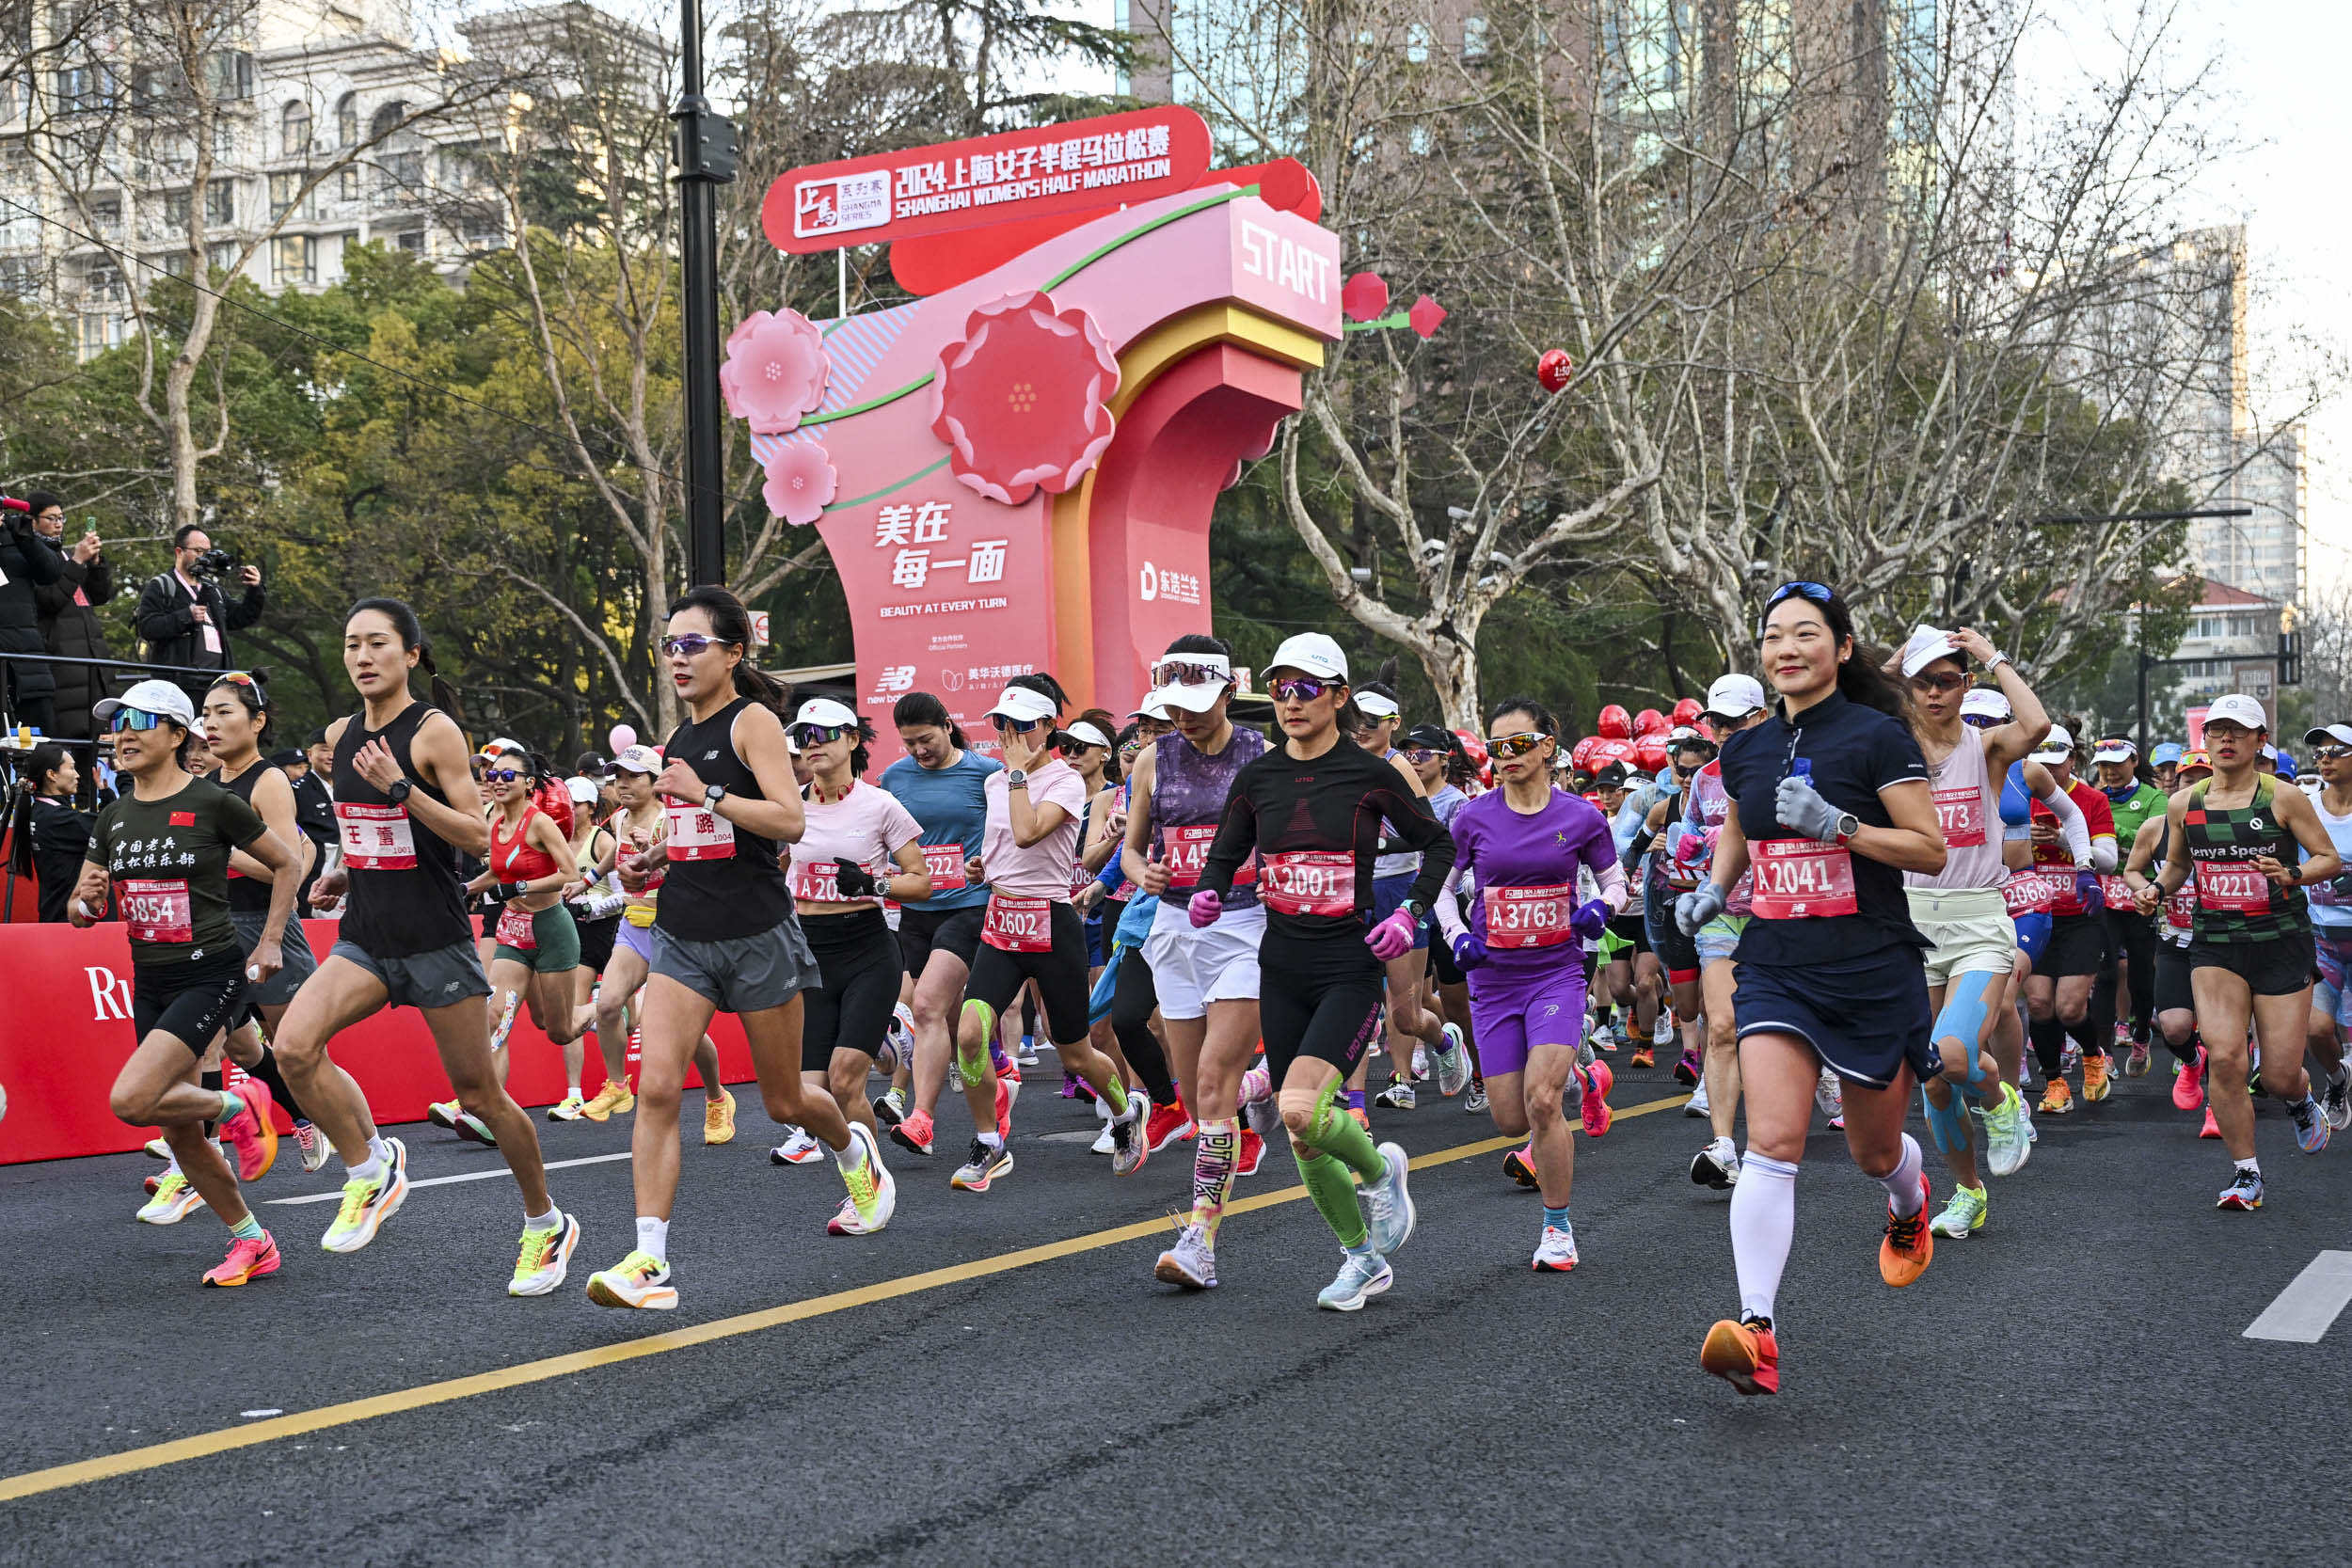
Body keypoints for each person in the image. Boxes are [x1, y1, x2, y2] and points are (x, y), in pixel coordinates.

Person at [587, 587, 892, 1310]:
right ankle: (649, 1258)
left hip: (758, 937)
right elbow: (701, 830)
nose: (678, 658)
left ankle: (854, 1154)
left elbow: (787, 821)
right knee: (658, 1089)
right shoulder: (679, 739)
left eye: (694, 644)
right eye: (670, 645)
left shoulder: (753, 721)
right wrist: (652, 861)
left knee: (786, 1101)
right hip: (684, 935)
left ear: (733, 652)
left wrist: (708, 791)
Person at [1678, 582, 1947, 1397]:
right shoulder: (1746, 750)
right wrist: (1715, 888)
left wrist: (1840, 825)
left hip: (1869, 968)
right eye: (1772, 636)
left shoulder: (1876, 737)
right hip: (1777, 963)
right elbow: (1739, 828)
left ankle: (1909, 1193)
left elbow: (1931, 850)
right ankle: (1757, 1329)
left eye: (1805, 634)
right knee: (1775, 1142)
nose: (1786, 648)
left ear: (1841, 647)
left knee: (1871, 1151)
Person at [271, 598, 579, 1296]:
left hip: (436, 939)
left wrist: (402, 786)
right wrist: (346, 866)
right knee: (292, 1047)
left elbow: (480, 838)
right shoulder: (341, 732)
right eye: (352, 644)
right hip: (367, 935)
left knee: (480, 1096)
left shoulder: (434, 731)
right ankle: (369, 1166)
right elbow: (367, 825)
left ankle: (545, 1220)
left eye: (377, 643)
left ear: (410, 654)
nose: (362, 656)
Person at [1191, 633, 1451, 1311]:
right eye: (1279, 688)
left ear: (1339, 697)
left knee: (1300, 1108)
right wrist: (1208, 890)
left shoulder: (1372, 775)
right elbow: (1226, 851)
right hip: (1280, 965)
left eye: (1305, 688)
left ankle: (1378, 1169)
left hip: (1348, 964)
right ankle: (1361, 1258)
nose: (1289, 701)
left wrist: (1412, 912)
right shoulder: (1259, 778)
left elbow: (1438, 842)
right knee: (1303, 1135)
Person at [75, 678, 304, 1286]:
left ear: (179, 735)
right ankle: (254, 1242)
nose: (123, 731)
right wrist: (84, 902)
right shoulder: (112, 815)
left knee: (130, 1099)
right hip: (149, 980)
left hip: (210, 974)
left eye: (139, 720)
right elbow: (84, 896)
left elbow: (288, 861)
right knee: (179, 1132)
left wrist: (273, 938)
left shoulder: (212, 802)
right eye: (117, 720)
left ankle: (240, 1102)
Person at [1433, 696, 1619, 1271]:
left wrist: (1599, 910)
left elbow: (1617, 884)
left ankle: (1558, 1227)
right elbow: (1441, 892)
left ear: (1546, 746)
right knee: (1512, 1119)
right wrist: (1458, 936)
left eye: (1518, 744)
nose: (1506, 756)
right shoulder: (1473, 818)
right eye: (1496, 747)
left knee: (1542, 1102)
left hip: (1555, 976)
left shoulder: (1582, 818)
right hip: (1493, 982)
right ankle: (1585, 1075)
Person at [2137, 693, 2341, 1209]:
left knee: (2276, 1074)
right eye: (2217, 731)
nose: (2226, 740)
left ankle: (2298, 1099)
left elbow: (2328, 859)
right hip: (2216, 944)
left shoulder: (2283, 797)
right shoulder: (2186, 803)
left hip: (2280, 944)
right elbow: (2179, 866)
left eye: (2238, 731)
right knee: (2225, 1057)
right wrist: (2156, 891)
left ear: (2259, 740)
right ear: (2205, 741)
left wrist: (2292, 874)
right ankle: (2245, 1174)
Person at [949, 676, 1148, 1191]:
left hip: (1052, 923)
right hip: (1001, 920)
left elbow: (1028, 831)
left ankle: (1126, 1115)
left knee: (1075, 1050)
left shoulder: (1061, 780)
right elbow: (1004, 846)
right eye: (1000, 724)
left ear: (1045, 729)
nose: (1007, 734)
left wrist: (1017, 774)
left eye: (1019, 725)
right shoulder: (996, 782)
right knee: (970, 1034)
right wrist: (982, 870)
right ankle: (989, 1143)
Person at [1121, 636, 1269, 1288]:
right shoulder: (1153, 759)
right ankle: (1258, 1088)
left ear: (1229, 692)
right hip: (1174, 928)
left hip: (1243, 925)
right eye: (1174, 705)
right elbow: (1128, 851)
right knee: (1197, 1092)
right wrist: (1143, 871)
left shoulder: (1261, 756)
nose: (1184, 717)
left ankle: (1200, 1237)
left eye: (1198, 704)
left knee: (1211, 1081)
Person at [1889, 626, 2045, 1242]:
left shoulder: (1986, 748)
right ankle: (1968, 1190)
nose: (1933, 692)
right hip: (1912, 920)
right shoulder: (1894, 748)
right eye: (1922, 682)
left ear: (1964, 685)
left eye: (1946, 680)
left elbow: (2035, 725)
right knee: (1932, 1075)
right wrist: (1899, 659)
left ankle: (2003, 1102)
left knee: (1950, 1053)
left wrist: (1988, 651)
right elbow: (1843, 713)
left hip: (1979, 920)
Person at [780, 696, 930, 1232]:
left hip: (868, 949)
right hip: (809, 953)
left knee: (846, 1082)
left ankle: (866, 1189)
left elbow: (922, 880)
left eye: (823, 734)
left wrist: (874, 882)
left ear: (851, 740)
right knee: (805, 1098)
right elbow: (776, 866)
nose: (812, 744)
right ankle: (872, 1172)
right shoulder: (788, 805)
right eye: (803, 736)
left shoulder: (879, 805)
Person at [201, 672, 338, 1175]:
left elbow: (288, 867)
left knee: (297, 1052)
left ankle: (359, 1141)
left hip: (265, 923)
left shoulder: (270, 780)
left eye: (225, 712)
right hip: (216, 928)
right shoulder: (207, 785)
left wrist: (225, 855)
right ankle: (200, 1158)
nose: (212, 724)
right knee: (220, 1041)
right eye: (207, 713)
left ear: (257, 722)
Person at [577, 744, 732, 1135]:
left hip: (672, 932)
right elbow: (615, 855)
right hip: (633, 925)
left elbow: (693, 867)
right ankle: (617, 1085)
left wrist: (653, 854)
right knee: (609, 1005)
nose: (623, 785)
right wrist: (588, 881)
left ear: (655, 781)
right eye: (619, 778)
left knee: (687, 1031)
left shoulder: (668, 820)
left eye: (633, 777)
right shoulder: (618, 820)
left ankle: (717, 1098)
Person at [877, 689, 1005, 1157]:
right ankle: (993, 1061)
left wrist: (986, 866)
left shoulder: (986, 773)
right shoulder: (894, 778)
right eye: (909, 743)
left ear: (948, 726)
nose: (919, 751)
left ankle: (921, 1117)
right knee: (940, 1013)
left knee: (928, 1005)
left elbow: (1011, 835)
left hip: (968, 906)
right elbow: (879, 833)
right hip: (915, 911)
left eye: (926, 739)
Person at [447, 745, 592, 1135]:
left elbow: (568, 873)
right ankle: (490, 1117)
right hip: (513, 932)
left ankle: (601, 1005)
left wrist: (520, 884)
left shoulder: (539, 822)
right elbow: (498, 871)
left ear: (529, 784)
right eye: (492, 775)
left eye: (507, 775)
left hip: (551, 930)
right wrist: (468, 887)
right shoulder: (494, 823)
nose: (496, 782)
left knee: (558, 1030)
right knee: (496, 1019)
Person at [1683, 673, 1772, 1189]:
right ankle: (1723, 1146)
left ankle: (1822, 1079)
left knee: (1772, 1030)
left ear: (1760, 718)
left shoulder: (1788, 767)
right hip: (1722, 914)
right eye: (1715, 722)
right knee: (1722, 1025)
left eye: (1733, 722)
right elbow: (1692, 833)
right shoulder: (1704, 779)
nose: (1722, 732)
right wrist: (1692, 848)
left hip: (1778, 911)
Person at [2022, 727, 2119, 1114]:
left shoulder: (2091, 800)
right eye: (2041, 765)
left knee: (2070, 1008)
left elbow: (2110, 861)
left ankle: (2094, 1056)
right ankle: (2054, 1082)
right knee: (2040, 1004)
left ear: (2072, 762)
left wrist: (2064, 839)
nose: (2048, 774)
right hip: (2033, 913)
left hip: (2081, 917)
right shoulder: (2017, 794)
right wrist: (2020, 838)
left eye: (2056, 766)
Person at [2090, 736, 2168, 1075]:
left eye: (2117, 764)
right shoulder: (2094, 799)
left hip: (2142, 896)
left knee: (2140, 975)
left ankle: (2141, 1035)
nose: (2109, 772)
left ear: (2134, 761)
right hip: (2104, 895)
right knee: (2104, 976)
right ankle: (2103, 1053)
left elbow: (2152, 843)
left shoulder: (2155, 798)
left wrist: (2106, 831)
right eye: (2103, 766)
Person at [27, 493, 116, 759]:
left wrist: (96, 565)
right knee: (64, 753)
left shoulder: (67, 557)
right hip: (62, 667)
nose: (58, 524)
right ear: (32, 521)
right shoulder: (30, 560)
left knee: (93, 755)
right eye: (51, 518)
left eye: (61, 518)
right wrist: (77, 563)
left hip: (92, 667)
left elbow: (100, 596)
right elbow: (50, 600)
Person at [135, 524, 266, 689]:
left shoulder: (213, 589)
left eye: (207, 552)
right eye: (198, 551)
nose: (205, 557)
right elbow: (148, 628)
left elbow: (242, 617)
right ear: (179, 552)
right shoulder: (162, 586)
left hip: (217, 682)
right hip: (180, 683)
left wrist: (255, 589)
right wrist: (187, 616)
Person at [2301, 723, 2352, 1132]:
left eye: (2337, 750)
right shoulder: (2307, 807)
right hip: (2321, 940)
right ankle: (2336, 1081)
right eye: (2319, 751)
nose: (2325, 757)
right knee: (2317, 1031)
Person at [0, 490, 63, 734]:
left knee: (40, 745)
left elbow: (52, 572)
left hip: (28, 663)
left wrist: (25, 537)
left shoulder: (16, 532)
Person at [15, 741, 89, 922]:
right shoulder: (57, 818)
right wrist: (126, 778)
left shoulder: (42, 811)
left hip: (58, 918)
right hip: (72, 926)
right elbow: (112, 825)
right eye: (71, 768)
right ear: (52, 775)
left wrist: (106, 793)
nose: (78, 775)